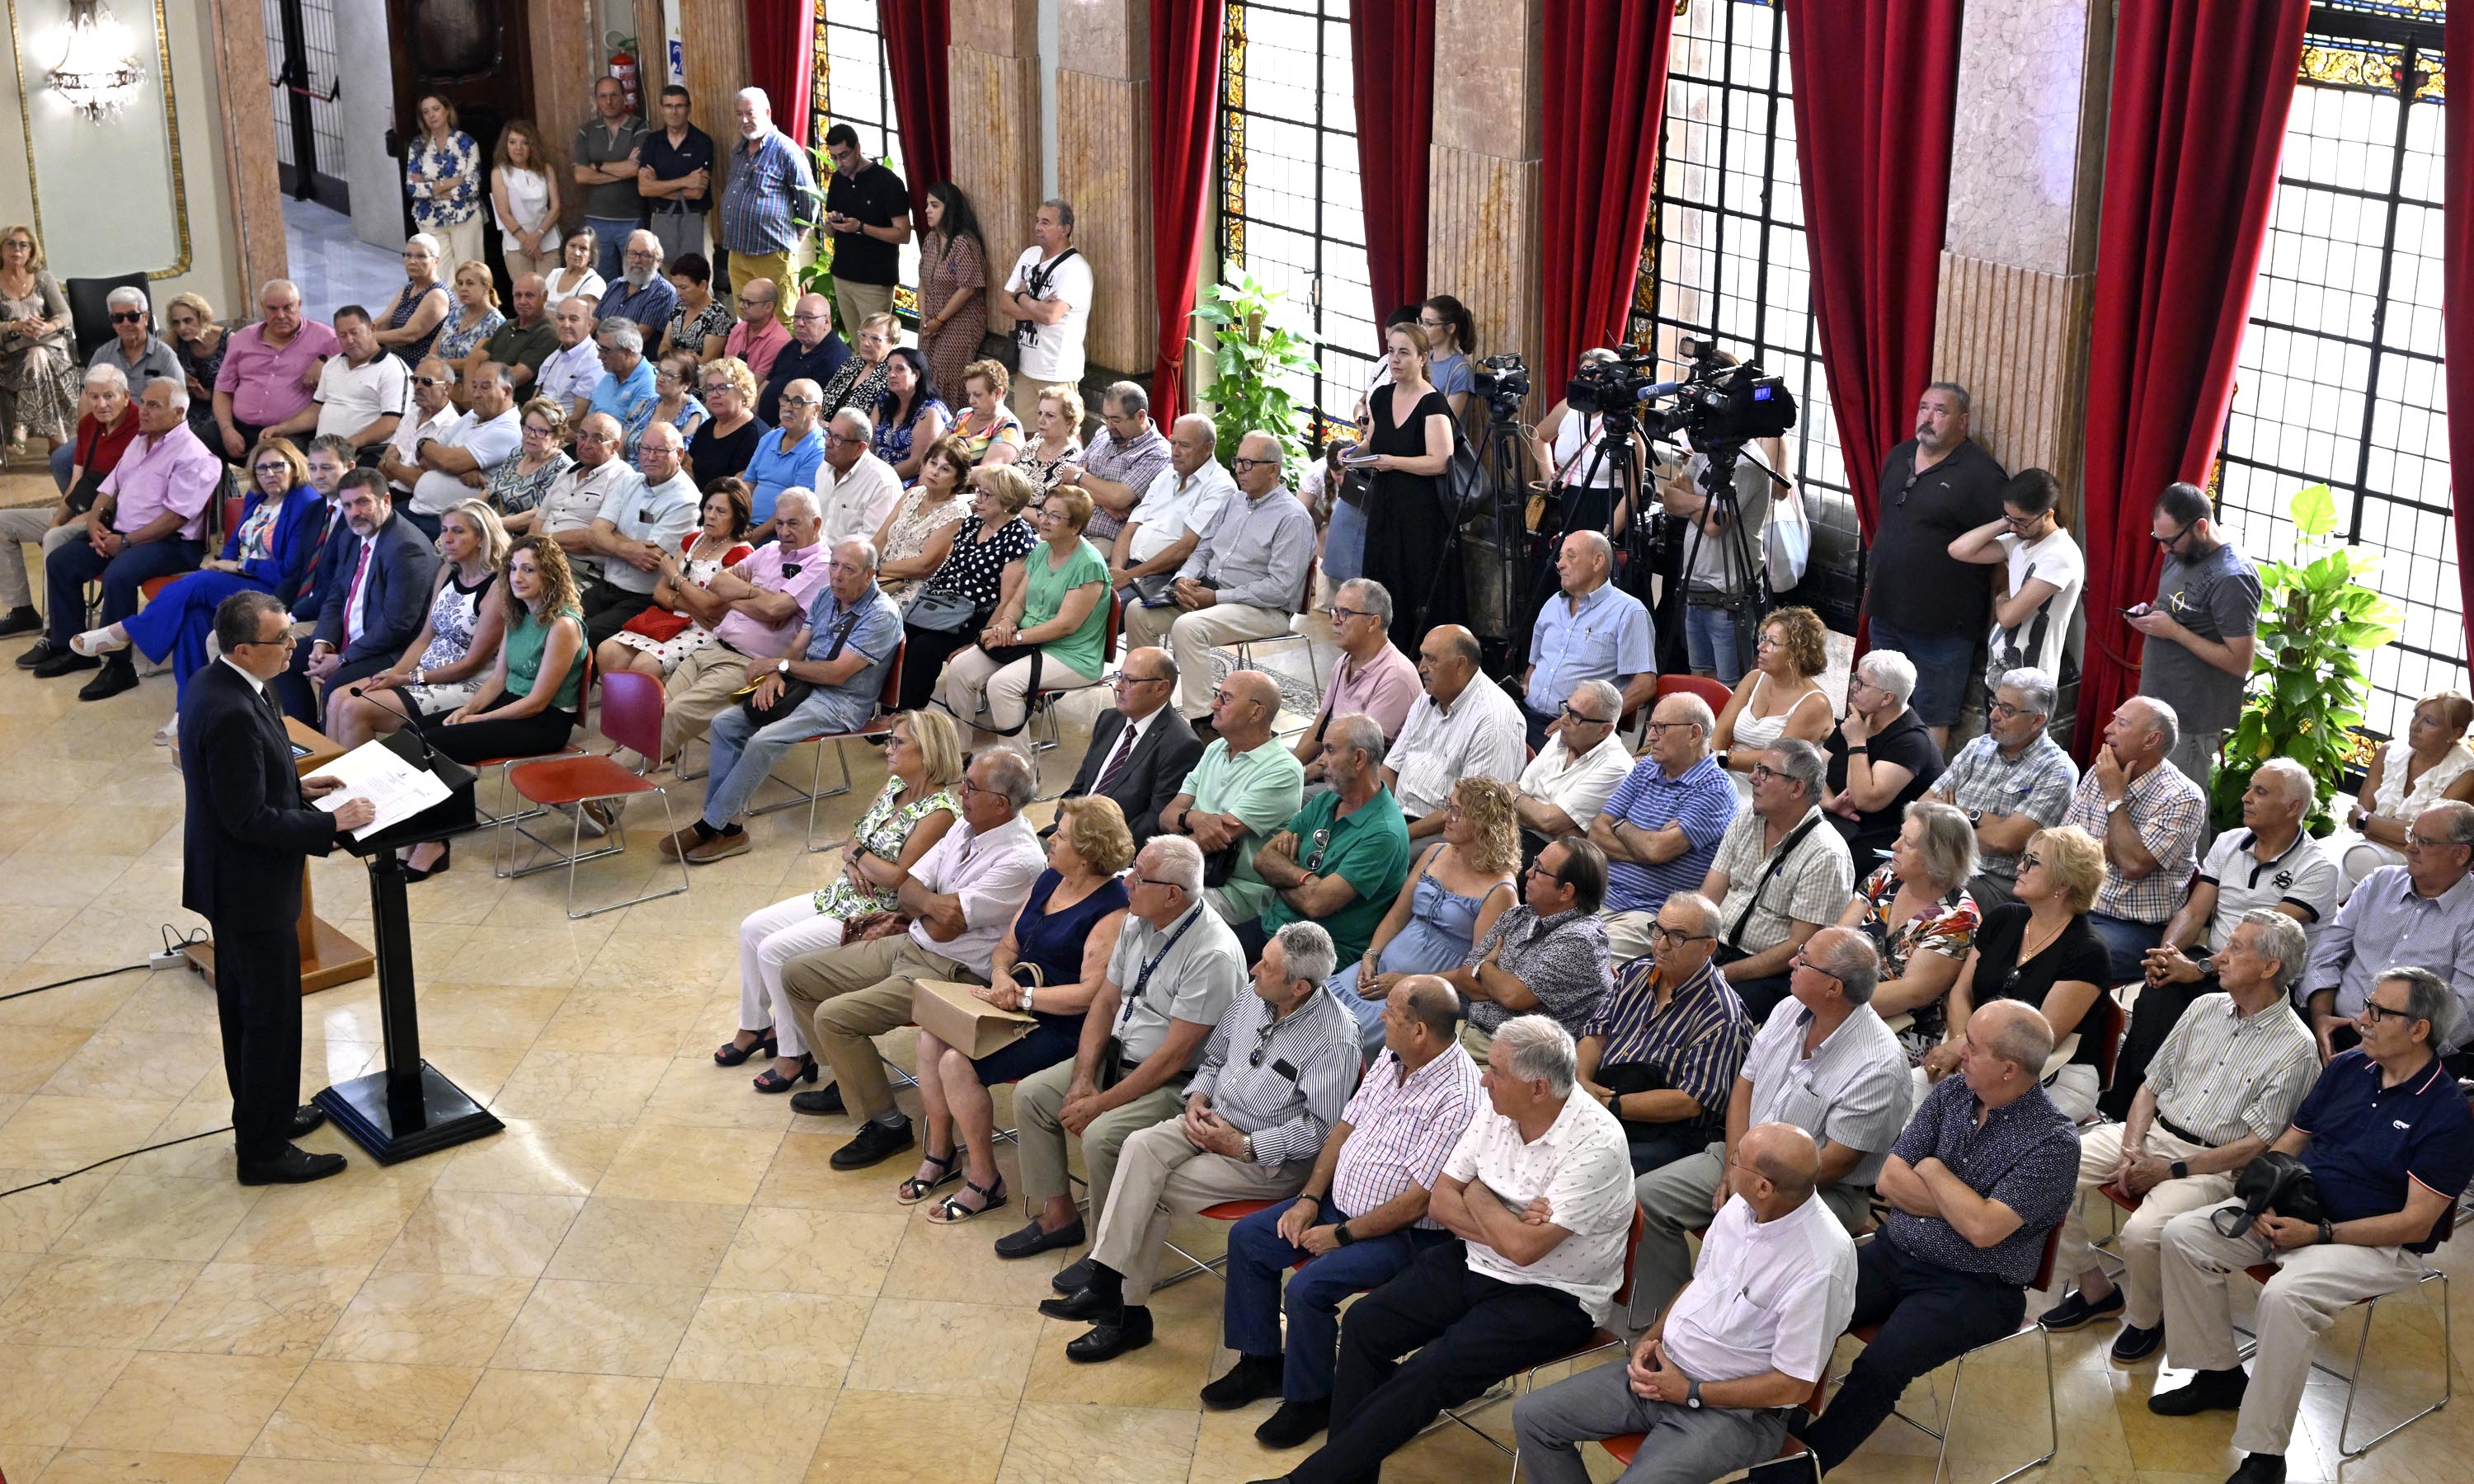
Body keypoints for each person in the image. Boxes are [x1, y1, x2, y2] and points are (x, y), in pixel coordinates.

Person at [2149, 969, 2474, 1484]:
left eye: (2379, 1012)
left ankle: (2265, 1454)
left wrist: (2321, 1235)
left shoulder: (2447, 1115)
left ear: (2419, 1030)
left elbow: (2415, 1223)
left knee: (2285, 1297)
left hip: (2375, 1244)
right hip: (2297, 1212)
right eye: (2367, 1004)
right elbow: (2290, 1144)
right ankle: (2218, 1377)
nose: (2361, 1018)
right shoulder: (2348, 1067)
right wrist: (2264, 1200)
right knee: (2184, 1236)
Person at [1273, 1016, 1633, 1479]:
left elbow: (1525, 1253)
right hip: (1474, 1260)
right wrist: (1502, 1221)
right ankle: (1348, 1476)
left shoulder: (1597, 1143)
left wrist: (1478, 1193)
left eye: (1497, 1071)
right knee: (1365, 1324)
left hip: (1553, 1293)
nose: (1485, 1078)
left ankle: (1311, 1480)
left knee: (1430, 1371)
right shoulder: (1499, 1106)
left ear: (1539, 1088)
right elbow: (1443, 1201)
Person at [1045, 921, 1360, 1362]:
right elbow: (1214, 1057)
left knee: (1149, 1190)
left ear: (1300, 987)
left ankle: (1124, 1313)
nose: (1253, 970)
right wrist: (1197, 1097)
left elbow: (1319, 1131)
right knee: (1138, 1147)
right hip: (1209, 1121)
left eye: (1267, 967)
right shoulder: (1255, 997)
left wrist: (1244, 1145)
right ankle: (1105, 1283)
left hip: (1263, 1158)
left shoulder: (1336, 1038)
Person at [1794, 1002, 2078, 1476]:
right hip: (1893, 1251)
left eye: (1973, 1045)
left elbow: (1985, 1232)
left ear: (2008, 1068)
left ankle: (1799, 1470)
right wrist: (1964, 1206)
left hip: (1974, 1287)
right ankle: (1768, 1430)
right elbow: (1888, 1181)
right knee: (1803, 1315)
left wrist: (1930, 1168)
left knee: (1880, 1367)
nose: (1959, 1052)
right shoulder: (1951, 1094)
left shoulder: (2053, 1143)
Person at [1207, 975, 1485, 1444]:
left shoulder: (1459, 1095)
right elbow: (1342, 1129)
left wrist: (1341, 1235)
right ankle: (1260, 1363)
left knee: (1308, 1289)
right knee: (1250, 1239)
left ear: (1419, 1029)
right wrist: (1310, 1200)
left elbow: (1420, 1199)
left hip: (1405, 1235)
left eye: (1392, 1014)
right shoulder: (1393, 1059)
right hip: (1337, 1206)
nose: (1381, 1017)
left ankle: (1310, 1400)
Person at [2037, 910, 2318, 1359]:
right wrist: (2131, 1148)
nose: (2218, 958)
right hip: (2152, 1135)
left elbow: (2256, 1145)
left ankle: (2148, 1319)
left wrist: (2171, 1169)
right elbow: (2151, 1086)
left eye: (2235, 948)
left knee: (2143, 1232)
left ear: (2269, 968)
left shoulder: (2297, 1048)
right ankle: (2096, 1290)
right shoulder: (2205, 1005)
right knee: (2046, 1168)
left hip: (2214, 1166)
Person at [1513, 1123, 1855, 1484]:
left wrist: (1691, 1392)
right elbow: (1698, 1283)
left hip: (1734, 1413)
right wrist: (1650, 1339)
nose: (1728, 1163)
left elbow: (1794, 1386)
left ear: (1764, 1187)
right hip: (1664, 1370)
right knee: (1533, 1417)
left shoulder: (1820, 1265)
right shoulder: (1741, 1207)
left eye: (1735, 1160)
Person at [181, 590, 377, 1185]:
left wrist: (299, 788)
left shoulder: (232, 682)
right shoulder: (232, 708)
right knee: (267, 1017)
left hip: (232, 881)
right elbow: (247, 820)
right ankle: (264, 1152)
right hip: (248, 888)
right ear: (245, 647)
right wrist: (329, 823)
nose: (293, 645)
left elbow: (249, 779)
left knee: (251, 1011)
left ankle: (261, 1117)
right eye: (281, 640)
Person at [1630, 924, 1909, 1313]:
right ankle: (1667, 1321)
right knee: (1648, 1198)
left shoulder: (1878, 1065)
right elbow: (1744, 1085)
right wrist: (1734, 1161)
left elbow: (1839, 1162)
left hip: (1819, 1189)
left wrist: (1747, 1184)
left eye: (1804, 960)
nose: (1792, 962)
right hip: (1741, 1156)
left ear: (1834, 988)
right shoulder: (1790, 1007)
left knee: (1747, 1238)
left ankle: (1732, 1340)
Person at [996, 835, 1245, 1271]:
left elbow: (1173, 1058)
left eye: (1139, 877)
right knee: (1033, 1096)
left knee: (1102, 1135)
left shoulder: (1213, 954)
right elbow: (1105, 1002)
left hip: (1177, 1084)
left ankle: (1106, 1257)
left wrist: (1100, 1104)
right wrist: (1082, 1079)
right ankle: (1059, 1218)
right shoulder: (1137, 919)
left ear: (1172, 894)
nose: (1126, 881)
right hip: (1117, 1057)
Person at [908, 795, 1135, 1222]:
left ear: (1086, 856)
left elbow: (1091, 996)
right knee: (932, 1034)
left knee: (957, 1063)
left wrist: (1023, 997)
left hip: (1064, 1025)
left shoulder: (1113, 909)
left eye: (1061, 836)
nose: (1050, 840)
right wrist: (999, 976)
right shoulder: (1051, 878)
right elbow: (1009, 944)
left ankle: (985, 1179)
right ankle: (941, 1151)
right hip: (1014, 1003)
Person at [722, 708, 962, 1083]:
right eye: (889, 741)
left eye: (898, 742)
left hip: (873, 915)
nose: (888, 749)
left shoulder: (940, 812)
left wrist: (859, 856)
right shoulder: (892, 788)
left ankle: (795, 1051)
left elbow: (898, 878)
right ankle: (754, 1027)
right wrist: (856, 860)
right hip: (842, 891)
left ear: (928, 752)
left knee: (774, 951)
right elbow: (853, 837)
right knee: (752, 927)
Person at [2105, 758, 2337, 1117]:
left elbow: (2265, 937)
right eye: (2250, 788)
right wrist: (2166, 956)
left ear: (2293, 807)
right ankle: (2125, 1108)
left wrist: (2199, 968)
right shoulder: (2229, 843)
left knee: (2201, 1012)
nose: (2246, 797)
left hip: (2266, 977)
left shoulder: (2318, 867)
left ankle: (2177, 1112)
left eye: (2260, 792)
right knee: (2159, 991)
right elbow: (2195, 912)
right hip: (2217, 962)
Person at [659, 538, 902, 864]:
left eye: (849, 569)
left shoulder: (881, 615)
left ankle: (709, 825)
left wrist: (779, 666)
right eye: (834, 566)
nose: (837, 576)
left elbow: (837, 674)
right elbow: (797, 647)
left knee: (763, 740)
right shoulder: (827, 596)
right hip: (802, 683)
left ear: (871, 574)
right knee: (724, 723)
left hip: (841, 702)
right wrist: (776, 675)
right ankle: (731, 831)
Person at [70, 434, 327, 725]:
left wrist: (239, 564)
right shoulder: (257, 497)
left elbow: (289, 568)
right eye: (261, 468)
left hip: (274, 589)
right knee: (192, 619)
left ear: (294, 466)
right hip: (239, 578)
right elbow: (234, 543)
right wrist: (224, 563)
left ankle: (126, 630)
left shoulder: (303, 501)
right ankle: (188, 712)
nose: (269, 474)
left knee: (200, 583)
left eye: (277, 466)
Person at [409, 535, 587, 877]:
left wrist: (479, 719)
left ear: (550, 575)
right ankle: (423, 827)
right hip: (511, 705)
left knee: (435, 744)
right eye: (514, 569)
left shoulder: (562, 626)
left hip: (543, 722)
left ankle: (437, 839)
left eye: (529, 570)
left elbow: (537, 703)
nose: (518, 577)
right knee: (410, 732)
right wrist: (467, 710)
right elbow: (497, 680)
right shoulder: (518, 614)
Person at [29, 380, 219, 697]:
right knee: (62, 560)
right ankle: (72, 648)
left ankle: (119, 668)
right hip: (122, 534)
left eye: (154, 405)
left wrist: (127, 541)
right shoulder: (140, 441)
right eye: (143, 402)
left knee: (120, 573)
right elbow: (109, 487)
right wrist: (94, 522)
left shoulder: (194, 455)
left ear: (179, 412)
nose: (142, 411)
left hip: (172, 544)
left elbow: (176, 518)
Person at [1921, 824, 2113, 1121]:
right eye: (2025, 857)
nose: (2019, 866)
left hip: (2054, 1075)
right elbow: (1962, 991)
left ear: (2063, 883)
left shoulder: (2088, 952)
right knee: (1904, 1096)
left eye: (2033, 861)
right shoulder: (2004, 919)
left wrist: (1963, 1049)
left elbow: (2038, 1039)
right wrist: (1962, 1044)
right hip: (1976, 1058)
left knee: (1967, 1133)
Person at [1126, 431, 1317, 721]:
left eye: (1249, 463)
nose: (1240, 469)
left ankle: (1203, 721)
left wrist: (1216, 597)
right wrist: (1183, 578)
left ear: (1273, 470)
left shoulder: (1293, 518)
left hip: (1263, 609)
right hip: (1211, 595)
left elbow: (1280, 589)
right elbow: (1204, 549)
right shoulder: (1235, 502)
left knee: (1189, 627)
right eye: (1238, 461)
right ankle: (1145, 701)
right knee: (1137, 612)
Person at [1329, 776, 1521, 1057]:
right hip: (1381, 975)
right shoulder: (1435, 852)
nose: (1446, 816)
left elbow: (1476, 977)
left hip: (1428, 999)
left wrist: (1408, 982)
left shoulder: (1500, 891)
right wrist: (1370, 955)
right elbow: (1397, 915)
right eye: (1448, 806)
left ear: (1483, 823)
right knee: (1319, 1005)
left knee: (1342, 1038)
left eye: (1456, 811)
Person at [1862, 382, 2010, 749]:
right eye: (1924, 408)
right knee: (1876, 706)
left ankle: (1919, 798)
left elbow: (2008, 546)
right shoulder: (1899, 456)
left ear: (1962, 422)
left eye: (1940, 411)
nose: (1927, 418)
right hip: (1887, 611)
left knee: (1932, 716)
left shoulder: (1982, 475)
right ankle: (1871, 783)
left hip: (1943, 627)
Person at [1577, 891, 1754, 1175]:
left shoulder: (1723, 1016)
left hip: (1664, 1133)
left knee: (1589, 1167)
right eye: (1658, 930)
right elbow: (1597, 1031)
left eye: (1678, 937)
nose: (1661, 944)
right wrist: (1581, 1080)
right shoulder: (1636, 973)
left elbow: (1692, 1102)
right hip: (1598, 1099)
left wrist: (1610, 1105)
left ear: (1709, 947)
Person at [652, 488, 830, 764]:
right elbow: (717, 583)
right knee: (655, 709)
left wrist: (738, 597)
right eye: (780, 523)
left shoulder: (821, 565)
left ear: (816, 524)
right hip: (713, 646)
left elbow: (775, 610)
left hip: (747, 663)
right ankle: (614, 779)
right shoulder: (770, 550)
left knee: (673, 715)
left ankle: (609, 789)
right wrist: (755, 594)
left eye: (793, 524)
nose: (783, 532)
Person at [931, 485, 1109, 747]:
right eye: (1043, 511)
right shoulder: (1041, 550)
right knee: (960, 668)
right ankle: (960, 750)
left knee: (1002, 685)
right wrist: (1005, 623)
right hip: (1027, 640)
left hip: (1071, 654)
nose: (1044, 520)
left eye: (1055, 516)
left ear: (1076, 527)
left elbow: (1065, 626)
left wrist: (1015, 638)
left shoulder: (1089, 564)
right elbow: (1017, 601)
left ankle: (1017, 771)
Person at [327, 499, 509, 749]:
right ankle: (332, 782)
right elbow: (425, 636)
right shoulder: (448, 571)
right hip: (423, 672)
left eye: (458, 531)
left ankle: (363, 786)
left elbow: (471, 665)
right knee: (338, 698)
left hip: (468, 684)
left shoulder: (497, 587)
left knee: (355, 708)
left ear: (481, 537)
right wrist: (394, 673)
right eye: (444, 530)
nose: (447, 538)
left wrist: (408, 679)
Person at [2302, 800, 2474, 1061]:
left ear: (2461, 854)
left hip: (2407, 1056)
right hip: (2332, 1028)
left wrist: (2389, 1048)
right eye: (2411, 835)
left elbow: (2465, 1010)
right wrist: (2321, 1019)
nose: (2410, 847)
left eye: (2424, 842)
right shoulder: (2379, 883)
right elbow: (2325, 955)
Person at [1702, 740, 1856, 1020]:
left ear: (1796, 788)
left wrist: (1721, 974)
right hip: (1714, 948)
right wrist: (1689, 942)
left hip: (1770, 974)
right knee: (1646, 976)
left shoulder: (1825, 854)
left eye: (1764, 772)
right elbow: (1709, 896)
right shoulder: (1747, 818)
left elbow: (1800, 948)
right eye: (1756, 768)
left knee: (1705, 1012)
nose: (1752, 778)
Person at [2061, 695, 2208, 983]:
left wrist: (2115, 796)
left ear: (2151, 739)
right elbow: (2065, 846)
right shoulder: (2101, 772)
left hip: (2132, 926)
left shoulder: (2183, 797)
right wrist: (2111, 844)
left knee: (2069, 957)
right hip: (2073, 906)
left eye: (2121, 723)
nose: (2107, 728)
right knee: (2007, 932)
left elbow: (2133, 863)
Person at [1248, 715, 1413, 962]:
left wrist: (1280, 876)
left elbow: (1316, 904)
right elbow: (1262, 860)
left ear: (1358, 759)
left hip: (1314, 957)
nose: (1321, 761)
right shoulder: (1328, 799)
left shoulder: (1384, 832)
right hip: (1273, 929)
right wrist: (1304, 878)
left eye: (1330, 750)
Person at [2133, 480, 2264, 786]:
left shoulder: (2233, 578)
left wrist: (2174, 632)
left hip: (2191, 719)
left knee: (2183, 806)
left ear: (2201, 526)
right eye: (2159, 539)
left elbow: (2239, 662)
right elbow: (2172, 607)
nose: (2164, 549)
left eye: (2171, 540)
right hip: (2155, 705)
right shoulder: (2180, 553)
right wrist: (2148, 615)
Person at [1593, 693, 1742, 959]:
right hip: (1599, 895)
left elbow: (1656, 850)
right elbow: (1597, 832)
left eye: (1660, 728)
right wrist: (1647, 849)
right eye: (1651, 727)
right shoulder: (1645, 769)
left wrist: (1622, 825)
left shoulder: (1716, 789)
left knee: (1578, 963)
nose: (1650, 737)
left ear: (1694, 734)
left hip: (1649, 917)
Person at [1837, 800, 1982, 1069]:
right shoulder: (1886, 876)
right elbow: (1839, 936)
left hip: (1903, 1028)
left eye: (1909, 842)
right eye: (1900, 836)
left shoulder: (1958, 918)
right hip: (1841, 1000)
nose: (1895, 846)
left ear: (1938, 858)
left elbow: (1913, 993)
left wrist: (1833, 996)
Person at [1160, 669, 1308, 926]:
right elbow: (1167, 816)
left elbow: (1216, 839)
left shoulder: (1283, 770)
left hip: (1235, 891)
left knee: (1149, 907)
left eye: (1225, 699)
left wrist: (1155, 865)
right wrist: (1196, 818)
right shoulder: (1216, 748)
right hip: (1191, 870)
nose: (1213, 705)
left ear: (1256, 713)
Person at [1926, 665, 2081, 909]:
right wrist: (1985, 820)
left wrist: (1959, 812)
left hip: (1996, 882)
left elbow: (2005, 841)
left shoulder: (2057, 770)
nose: (1993, 715)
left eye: (2007, 710)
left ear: (2037, 720)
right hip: (1942, 862)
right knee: (1883, 877)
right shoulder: (1978, 747)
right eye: (1995, 703)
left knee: (1928, 899)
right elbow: (1923, 807)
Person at [0, 364, 134, 640]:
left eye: (109, 396)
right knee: (4, 523)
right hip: (85, 508)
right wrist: (56, 520)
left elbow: (128, 493)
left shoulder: (139, 427)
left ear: (126, 396)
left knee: (55, 538)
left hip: (115, 517)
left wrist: (65, 526)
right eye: (94, 396)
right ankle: (23, 612)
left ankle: (54, 632)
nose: (101, 404)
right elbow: (76, 482)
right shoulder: (88, 425)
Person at [893, 463, 1039, 711]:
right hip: (945, 606)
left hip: (977, 617)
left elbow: (1008, 600)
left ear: (1007, 501)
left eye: (985, 494)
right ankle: (888, 708)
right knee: (899, 633)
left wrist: (977, 643)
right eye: (977, 491)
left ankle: (908, 717)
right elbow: (948, 569)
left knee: (924, 648)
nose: (977, 498)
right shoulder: (972, 524)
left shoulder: (1017, 536)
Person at [1447, 836, 1616, 1045]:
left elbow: (1511, 995)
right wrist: (1506, 993)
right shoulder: (1519, 916)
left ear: (1566, 891)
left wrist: (1486, 966)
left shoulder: (1580, 940)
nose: (1528, 873)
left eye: (1539, 870)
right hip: (1467, 1031)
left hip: (1516, 1058)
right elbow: (1465, 977)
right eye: (1534, 863)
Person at [1360, 321, 1462, 650]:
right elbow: (1372, 443)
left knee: (1417, 582)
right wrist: (1349, 454)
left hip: (1423, 509)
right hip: (1386, 504)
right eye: (1391, 351)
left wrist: (1393, 462)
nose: (1395, 359)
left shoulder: (1433, 402)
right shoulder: (1381, 396)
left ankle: (1420, 655)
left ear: (1422, 358)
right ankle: (1384, 649)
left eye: (1404, 352)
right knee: (1384, 577)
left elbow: (1441, 461)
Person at [595, 481, 751, 679]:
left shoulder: (741, 553)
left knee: (644, 665)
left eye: (721, 511)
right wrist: (694, 606)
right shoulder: (693, 540)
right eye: (709, 508)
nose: (711, 515)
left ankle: (646, 710)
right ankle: (617, 710)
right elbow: (660, 593)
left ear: (737, 517)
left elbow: (711, 608)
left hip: (706, 629)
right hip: (672, 619)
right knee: (608, 650)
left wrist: (674, 575)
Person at [1658, 432, 1778, 686]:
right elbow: (1669, 497)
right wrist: (1705, 503)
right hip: (1695, 586)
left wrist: (1690, 499)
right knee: (1699, 679)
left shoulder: (1750, 463)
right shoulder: (1706, 452)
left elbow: (1715, 526)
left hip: (1729, 595)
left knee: (1729, 687)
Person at [1386, 625, 1526, 840]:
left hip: (1448, 834)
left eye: (1431, 660)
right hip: (1397, 818)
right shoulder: (1428, 695)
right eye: (1422, 657)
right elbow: (1391, 768)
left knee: (1364, 861)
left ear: (1460, 665)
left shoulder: (1495, 722)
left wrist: (1398, 836)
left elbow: (1470, 811)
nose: (1421, 667)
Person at [1947, 466, 2084, 683]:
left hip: (2030, 681)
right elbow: (1958, 550)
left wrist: (2002, 597)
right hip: (1999, 673)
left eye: (2021, 521)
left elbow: (2009, 617)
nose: (2012, 528)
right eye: (2009, 518)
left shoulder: (2060, 554)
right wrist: (2007, 520)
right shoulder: (2017, 541)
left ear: (2048, 514)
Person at [1522, 530, 1657, 748]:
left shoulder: (1628, 611)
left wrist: (1591, 722)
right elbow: (1533, 664)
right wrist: (1527, 685)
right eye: (1560, 557)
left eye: (1571, 556)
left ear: (1598, 561)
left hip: (1577, 730)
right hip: (1527, 715)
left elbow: (1645, 685)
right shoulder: (1552, 604)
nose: (1560, 565)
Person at [1057, 646, 1205, 843]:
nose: (1118, 686)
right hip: (1069, 832)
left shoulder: (1182, 746)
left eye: (1130, 681)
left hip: (1109, 850)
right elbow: (1080, 787)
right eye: (1120, 677)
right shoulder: (1109, 719)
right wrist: (1066, 822)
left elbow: (1155, 821)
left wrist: (1092, 842)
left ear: (1161, 688)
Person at [2343, 688, 2474, 890]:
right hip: (2373, 848)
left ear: (2456, 733)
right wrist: (2394, 836)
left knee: (2361, 860)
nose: (2415, 726)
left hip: (2428, 867)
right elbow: (2354, 819)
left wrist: (2368, 823)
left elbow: (2427, 838)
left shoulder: (2467, 774)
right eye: (2416, 715)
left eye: (2429, 722)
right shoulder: (2388, 752)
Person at [1291, 579, 1421, 781]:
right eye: (1335, 612)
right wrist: (1289, 768)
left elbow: (1358, 754)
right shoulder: (1344, 662)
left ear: (1373, 622)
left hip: (1356, 779)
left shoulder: (1396, 675)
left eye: (1345, 614)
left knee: (1283, 804)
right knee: (1264, 766)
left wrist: (1301, 776)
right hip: (1331, 761)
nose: (1334, 621)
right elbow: (1319, 727)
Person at [1821, 648, 1944, 858]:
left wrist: (1857, 742)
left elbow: (1865, 800)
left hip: (1878, 839)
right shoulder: (1859, 717)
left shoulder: (1911, 742)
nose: (1853, 687)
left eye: (1862, 683)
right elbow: (1813, 768)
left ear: (1887, 698)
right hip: (1833, 820)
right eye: (1855, 679)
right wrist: (1828, 802)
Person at [1108, 413, 1235, 613]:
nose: (1175, 452)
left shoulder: (1220, 486)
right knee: (1074, 592)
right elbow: (1131, 528)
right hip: (1129, 568)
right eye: (1173, 442)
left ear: (1207, 448)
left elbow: (1186, 548)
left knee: (1103, 608)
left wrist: (1129, 575)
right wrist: (1118, 571)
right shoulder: (1166, 474)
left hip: (1166, 575)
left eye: (1184, 445)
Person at [1712, 605, 1833, 801]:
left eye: (1772, 642)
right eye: (1763, 638)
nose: (1761, 647)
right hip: (1724, 771)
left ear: (1797, 653)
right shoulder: (1754, 678)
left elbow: (1777, 759)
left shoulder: (1815, 704)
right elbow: (1722, 729)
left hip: (1771, 790)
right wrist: (1710, 766)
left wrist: (1719, 759)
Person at [718, 87, 816, 323]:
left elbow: (809, 198)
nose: (744, 120)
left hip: (773, 252)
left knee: (783, 318)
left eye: (750, 113)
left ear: (767, 112)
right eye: (739, 114)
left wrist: (799, 234)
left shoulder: (787, 150)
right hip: (738, 251)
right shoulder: (739, 151)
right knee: (746, 316)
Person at [209, 279, 336, 455]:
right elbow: (223, 389)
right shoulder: (242, 338)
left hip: (294, 431)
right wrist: (226, 429)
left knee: (276, 459)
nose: (281, 315)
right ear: (262, 307)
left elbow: (357, 357)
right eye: (272, 309)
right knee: (200, 442)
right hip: (241, 427)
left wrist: (325, 359)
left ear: (299, 305)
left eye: (287, 307)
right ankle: (223, 483)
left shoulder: (325, 337)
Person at [402, 360, 522, 540]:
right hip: (418, 508)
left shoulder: (508, 430)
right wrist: (459, 468)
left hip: (448, 524)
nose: (476, 394)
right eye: (474, 387)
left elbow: (447, 461)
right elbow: (424, 459)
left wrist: (448, 461)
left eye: (485, 387)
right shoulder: (474, 415)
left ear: (507, 392)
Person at [1510, 679, 1634, 850]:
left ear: (1604, 730)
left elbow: (1547, 821)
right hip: (1518, 833)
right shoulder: (1561, 737)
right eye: (1566, 708)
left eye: (1576, 716)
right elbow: (1525, 795)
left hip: (1554, 855)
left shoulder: (1616, 767)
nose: (1563, 720)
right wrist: (1546, 819)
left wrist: (1516, 798)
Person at [1001, 198, 1092, 421]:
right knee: (1030, 432)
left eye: (1046, 222)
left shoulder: (1075, 268)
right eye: (1037, 221)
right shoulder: (1030, 255)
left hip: (1057, 370)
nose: (1037, 227)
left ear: (1065, 229)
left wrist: (1022, 297)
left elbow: (1051, 316)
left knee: (1065, 432)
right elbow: (1004, 301)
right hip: (1024, 365)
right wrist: (1035, 309)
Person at [821, 122, 912, 336]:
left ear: (857, 148)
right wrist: (831, 224)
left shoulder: (887, 182)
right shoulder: (837, 181)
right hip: (842, 276)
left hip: (874, 281)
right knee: (858, 347)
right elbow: (831, 233)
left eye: (843, 155)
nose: (839, 163)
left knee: (877, 348)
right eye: (834, 157)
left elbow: (903, 234)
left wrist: (861, 227)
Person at [1059, 380, 1173, 547]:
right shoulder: (1103, 434)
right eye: (1106, 418)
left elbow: (1118, 498)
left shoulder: (1157, 453)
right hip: (1069, 528)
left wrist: (1079, 477)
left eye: (1116, 420)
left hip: (1108, 540)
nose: (1109, 426)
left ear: (1140, 417)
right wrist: (1104, 501)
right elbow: (1067, 483)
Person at [506, 411, 636, 554]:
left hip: (576, 563)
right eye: (582, 436)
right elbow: (537, 523)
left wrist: (541, 541)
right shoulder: (566, 473)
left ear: (615, 446)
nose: (586, 444)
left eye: (596, 440)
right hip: (540, 554)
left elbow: (593, 538)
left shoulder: (622, 478)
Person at [0, 222, 78, 454]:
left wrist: (46, 327)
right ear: (1, 249)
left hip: (51, 347)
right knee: (37, 356)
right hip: (12, 355)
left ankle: (22, 425)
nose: (17, 250)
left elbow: (66, 315)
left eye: (24, 245)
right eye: (11, 244)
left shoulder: (43, 278)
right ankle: (58, 446)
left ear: (31, 251)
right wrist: (16, 325)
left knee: (40, 354)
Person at [868, 436, 971, 607]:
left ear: (957, 480)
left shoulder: (956, 512)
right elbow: (880, 539)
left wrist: (876, 570)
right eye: (933, 463)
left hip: (912, 587)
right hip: (877, 576)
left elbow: (925, 566)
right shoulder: (912, 494)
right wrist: (863, 565)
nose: (935, 472)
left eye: (945, 469)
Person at [915, 181, 990, 397]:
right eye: (927, 204)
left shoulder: (963, 243)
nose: (927, 210)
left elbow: (967, 289)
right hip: (930, 320)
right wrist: (923, 316)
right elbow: (922, 282)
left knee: (946, 377)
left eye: (934, 205)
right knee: (924, 372)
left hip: (959, 321)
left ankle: (950, 427)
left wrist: (939, 320)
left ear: (950, 208)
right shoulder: (930, 240)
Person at [573, 76, 647, 280]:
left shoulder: (640, 127)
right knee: (600, 281)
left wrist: (598, 166)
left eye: (614, 95)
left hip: (631, 218)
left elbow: (635, 169)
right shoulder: (586, 131)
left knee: (636, 277)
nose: (609, 101)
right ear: (596, 100)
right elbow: (580, 175)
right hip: (596, 219)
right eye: (603, 96)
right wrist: (621, 170)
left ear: (624, 97)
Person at [636, 84, 716, 270]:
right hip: (662, 218)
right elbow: (644, 189)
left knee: (699, 280)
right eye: (669, 106)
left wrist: (658, 187)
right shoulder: (653, 142)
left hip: (696, 219)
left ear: (689, 108)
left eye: (679, 106)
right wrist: (685, 181)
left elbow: (696, 193)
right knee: (665, 281)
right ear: (661, 109)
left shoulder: (702, 141)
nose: (674, 111)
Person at [313, 305, 410, 453]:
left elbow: (392, 422)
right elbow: (316, 410)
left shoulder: (393, 369)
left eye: (354, 332)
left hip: (365, 453)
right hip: (323, 453)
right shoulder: (332, 365)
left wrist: (352, 443)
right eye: (343, 335)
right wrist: (282, 428)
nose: (350, 340)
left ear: (371, 329)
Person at [403, 94, 484, 269]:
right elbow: (412, 188)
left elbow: (472, 186)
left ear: (447, 111)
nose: (431, 115)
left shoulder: (466, 143)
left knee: (469, 273)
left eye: (436, 109)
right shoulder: (418, 146)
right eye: (426, 112)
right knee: (441, 278)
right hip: (430, 219)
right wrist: (450, 183)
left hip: (465, 216)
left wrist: (430, 186)